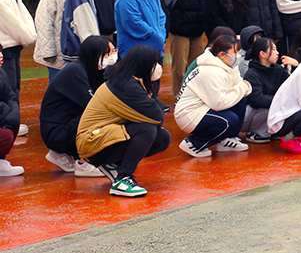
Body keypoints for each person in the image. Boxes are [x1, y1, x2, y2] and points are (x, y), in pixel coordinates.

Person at [76, 45, 171, 197]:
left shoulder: (129, 81)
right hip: (91, 142)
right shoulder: (126, 86)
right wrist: (154, 111)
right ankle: (123, 179)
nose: (157, 68)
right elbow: (157, 116)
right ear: (143, 65)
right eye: (153, 64)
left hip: (100, 138)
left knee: (162, 138)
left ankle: (113, 165)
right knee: (147, 129)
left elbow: (155, 106)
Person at [39, 34, 112, 177]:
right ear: (95, 54)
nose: (112, 57)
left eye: (113, 52)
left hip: (66, 125)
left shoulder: (95, 72)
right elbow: (92, 105)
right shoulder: (75, 71)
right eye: (108, 53)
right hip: (55, 131)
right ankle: (84, 161)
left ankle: (60, 153)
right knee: (99, 117)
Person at [175, 34, 253, 157]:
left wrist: (243, 88)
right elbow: (219, 103)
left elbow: (242, 86)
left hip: (205, 106)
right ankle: (194, 143)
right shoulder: (211, 71)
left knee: (240, 100)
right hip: (190, 113)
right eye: (235, 52)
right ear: (222, 54)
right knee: (229, 120)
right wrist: (243, 88)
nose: (237, 56)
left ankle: (226, 140)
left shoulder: (228, 65)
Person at [167, 0, 208, 99]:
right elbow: (167, 4)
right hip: (180, 31)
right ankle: (179, 96)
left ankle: (194, 96)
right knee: (179, 66)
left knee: (196, 65)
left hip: (197, 30)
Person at [0, 0, 36, 111]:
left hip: (14, 47)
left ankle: (13, 118)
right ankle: (8, 121)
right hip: (5, 48)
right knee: (7, 88)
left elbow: (23, 14)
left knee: (14, 85)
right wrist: (27, 36)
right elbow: (9, 21)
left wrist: (29, 34)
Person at [242, 36, 290, 144]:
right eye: (273, 50)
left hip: (271, 108)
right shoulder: (252, 74)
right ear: (262, 54)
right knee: (269, 107)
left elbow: (290, 87)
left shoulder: (278, 70)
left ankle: (273, 131)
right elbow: (256, 99)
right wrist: (280, 101)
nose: (277, 53)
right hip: (251, 115)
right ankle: (257, 133)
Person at [0, 49, 24, 176]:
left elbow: (11, 96)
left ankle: (0, 161)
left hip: (3, 114)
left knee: (14, 122)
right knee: (5, 136)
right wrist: (7, 113)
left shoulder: (1, 72)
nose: (1, 55)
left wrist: (14, 112)